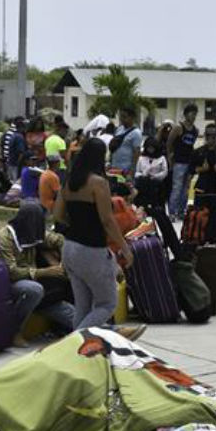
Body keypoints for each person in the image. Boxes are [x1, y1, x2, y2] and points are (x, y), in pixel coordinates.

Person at [54, 139, 139, 332]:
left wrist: (77, 224)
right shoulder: (98, 183)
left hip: (69, 248)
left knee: (82, 307)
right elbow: (107, 220)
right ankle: (73, 345)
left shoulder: (68, 181)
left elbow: (57, 214)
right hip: (91, 250)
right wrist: (125, 249)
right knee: (107, 304)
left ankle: (78, 356)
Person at [0, 203, 78, 346]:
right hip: (13, 283)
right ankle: (14, 331)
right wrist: (45, 272)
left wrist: (62, 264)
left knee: (74, 317)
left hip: (36, 284)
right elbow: (12, 272)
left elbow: (60, 240)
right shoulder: (5, 238)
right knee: (34, 290)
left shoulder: (35, 232)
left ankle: (92, 327)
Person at [191, 122, 216, 245]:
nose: (210, 138)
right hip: (202, 189)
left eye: (213, 135)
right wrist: (201, 169)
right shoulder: (199, 152)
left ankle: (213, 241)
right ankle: (200, 239)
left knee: (215, 217)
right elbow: (191, 169)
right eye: (208, 135)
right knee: (200, 215)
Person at [167, 104, 200, 221]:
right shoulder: (178, 128)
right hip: (179, 161)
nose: (193, 116)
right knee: (177, 187)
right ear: (186, 114)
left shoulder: (195, 130)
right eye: (191, 113)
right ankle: (172, 211)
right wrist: (170, 158)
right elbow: (169, 143)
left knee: (186, 189)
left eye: (195, 114)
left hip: (189, 161)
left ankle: (181, 211)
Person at [134, 136, 169, 210]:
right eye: (148, 148)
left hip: (157, 185)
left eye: (152, 148)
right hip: (143, 184)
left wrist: (155, 176)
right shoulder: (141, 158)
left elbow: (165, 171)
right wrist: (143, 175)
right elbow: (137, 172)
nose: (150, 150)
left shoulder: (162, 158)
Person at [110, 107, 143, 178]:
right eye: (121, 116)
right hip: (114, 167)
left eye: (124, 117)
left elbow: (136, 152)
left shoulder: (136, 133)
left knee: (123, 187)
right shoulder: (119, 129)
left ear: (132, 118)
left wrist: (132, 171)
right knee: (114, 187)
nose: (122, 119)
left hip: (125, 170)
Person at [4, 118, 29, 183]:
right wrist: (18, 163)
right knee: (16, 182)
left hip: (10, 162)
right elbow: (21, 153)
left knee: (11, 181)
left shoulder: (13, 135)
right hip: (16, 164)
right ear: (21, 127)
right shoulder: (19, 137)